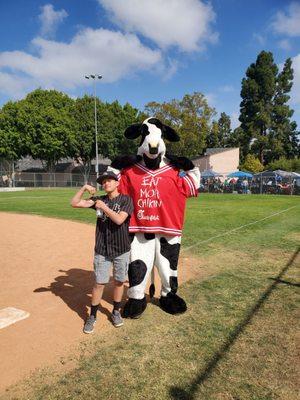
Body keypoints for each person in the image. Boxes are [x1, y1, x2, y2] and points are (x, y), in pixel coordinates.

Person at [70, 171, 133, 333]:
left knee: (119, 281)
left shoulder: (126, 200)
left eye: (109, 180)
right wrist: (84, 187)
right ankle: (92, 316)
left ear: (117, 183)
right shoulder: (99, 199)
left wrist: (104, 207)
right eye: (103, 182)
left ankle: (116, 311)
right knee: (99, 283)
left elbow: (119, 220)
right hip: (102, 249)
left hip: (121, 248)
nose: (106, 184)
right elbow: (74, 203)